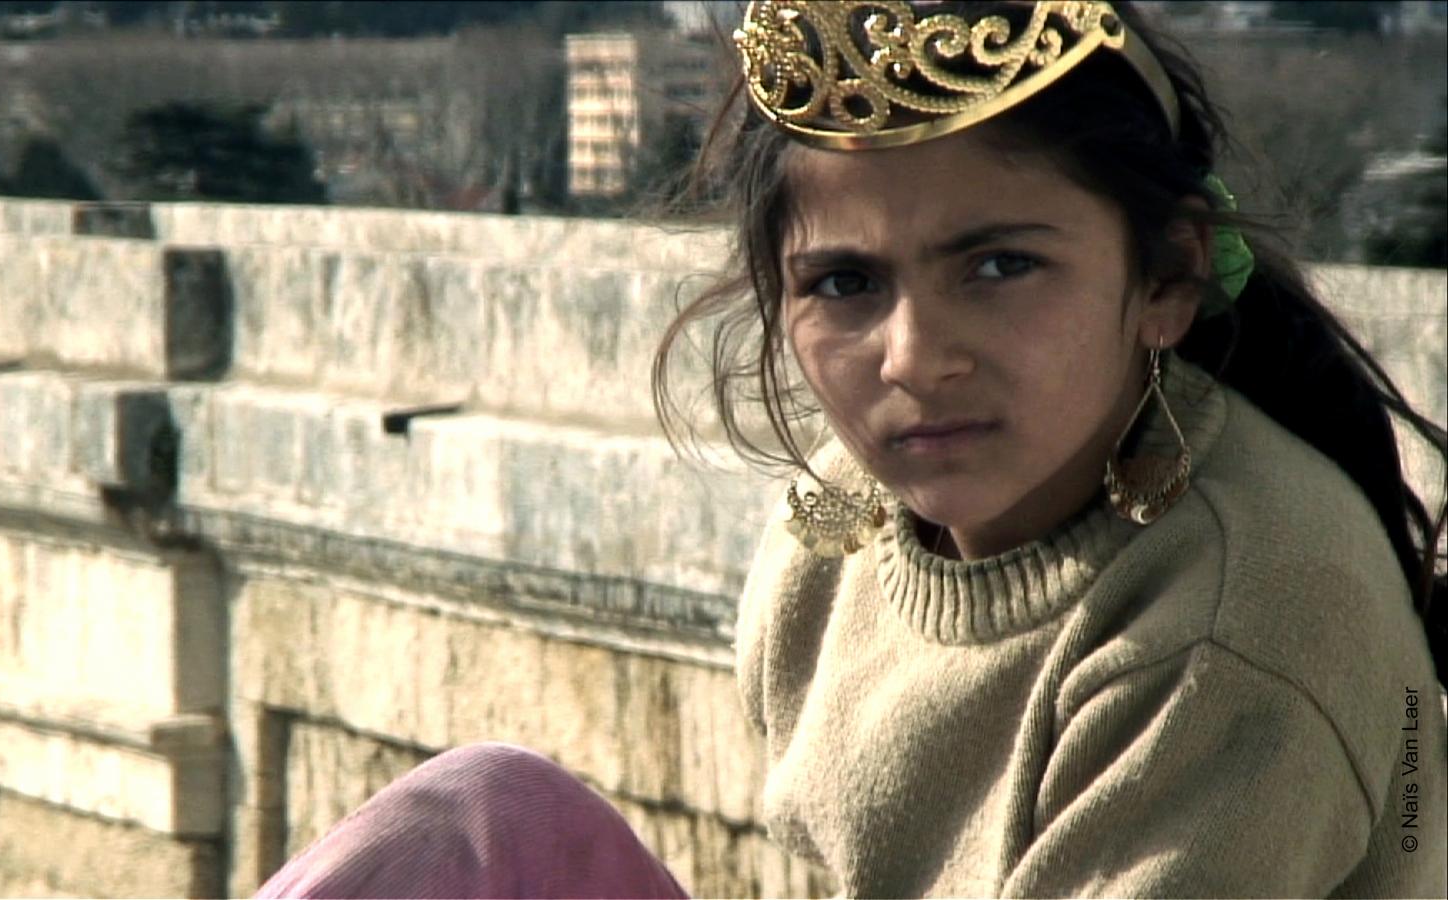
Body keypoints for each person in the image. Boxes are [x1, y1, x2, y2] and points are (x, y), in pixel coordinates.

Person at [258, 2, 1446, 896]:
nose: (914, 358)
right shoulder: (837, 519)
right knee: (476, 820)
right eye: (843, 283)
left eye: (998, 266)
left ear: (1168, 277)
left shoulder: (1235, 627)